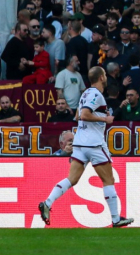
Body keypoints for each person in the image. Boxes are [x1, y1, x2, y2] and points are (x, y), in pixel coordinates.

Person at [39, 66, 133, 228]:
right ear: (101, 78)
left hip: (80, 143)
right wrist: (104, 119)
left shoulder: (85, 94)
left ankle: (47, 203)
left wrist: (99, 116)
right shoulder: (96, 95)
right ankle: (116, 219)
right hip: (94, 143)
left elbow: (77, 116)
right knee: (108, 180)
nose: (105, 77)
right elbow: (83, 115)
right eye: (104, 75)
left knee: (72, 179)